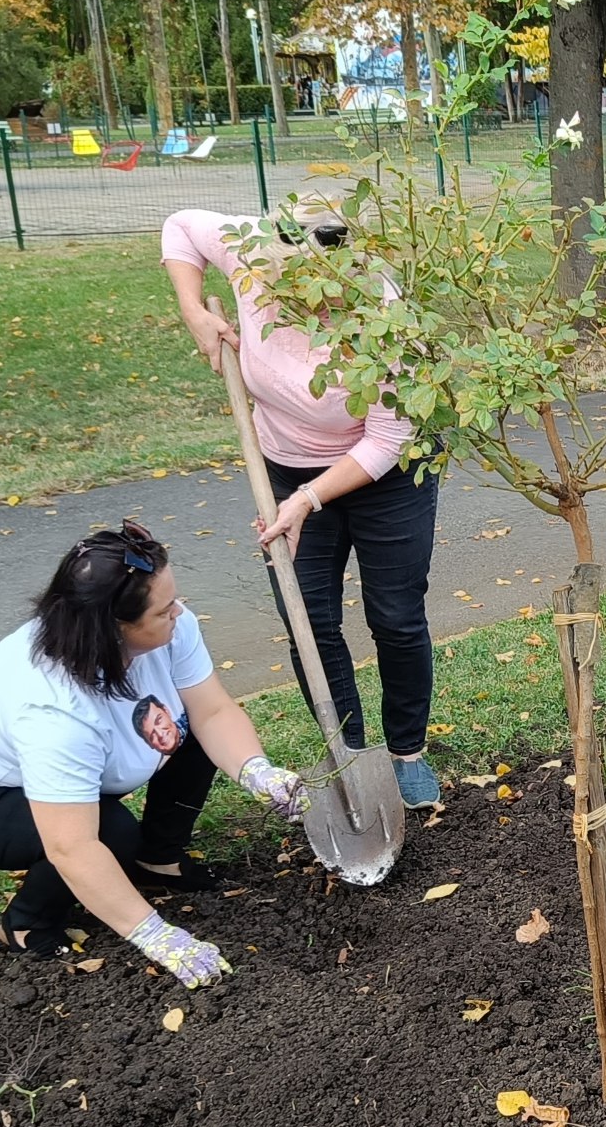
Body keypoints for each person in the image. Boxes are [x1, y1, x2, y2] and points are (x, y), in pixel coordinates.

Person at [0, 522, 309, 983]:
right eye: (164, 611)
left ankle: (158, 859)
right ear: (114, 626)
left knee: (191, 735)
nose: (180, 613)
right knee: (109, 834)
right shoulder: (52, 707)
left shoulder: (169, 629)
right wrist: (156, 935)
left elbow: (211, 711)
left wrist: (256, 770)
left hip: (89, 768)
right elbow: (72, 845)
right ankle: (25, 922)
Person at [164, 201, 444, 808]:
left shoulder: (384, 312)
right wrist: (193, 310)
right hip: (284, 468)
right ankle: (349, 755)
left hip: (389, 478)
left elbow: (388, 440)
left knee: (394, 618)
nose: (309, 304)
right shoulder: (252, 259)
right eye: (292, 287)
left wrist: (309, 501)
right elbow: (182, 226)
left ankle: (406, 753)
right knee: (310, 624)